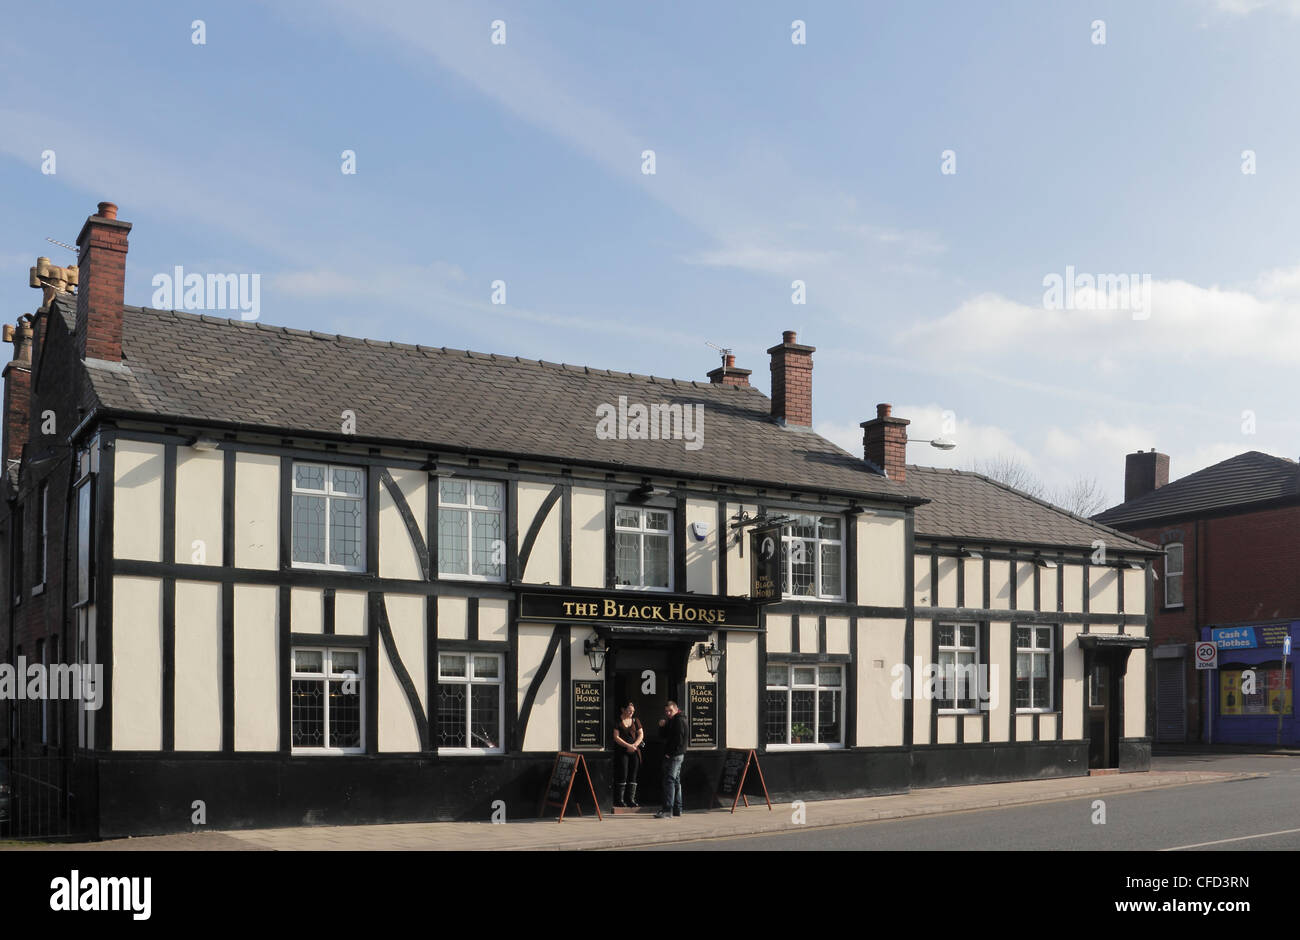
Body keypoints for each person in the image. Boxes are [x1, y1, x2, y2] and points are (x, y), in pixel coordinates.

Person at [654, 700, 688, 818]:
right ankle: (678, 809)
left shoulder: (679, 720)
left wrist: (670, 753)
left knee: (669, 780)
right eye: (666, 711)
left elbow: (678, 741)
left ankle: (668, 810)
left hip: (675, 755)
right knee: (676, 781)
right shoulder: (673, 720)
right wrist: (662, 726)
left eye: (670, 710)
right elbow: (664, 736)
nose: (668, 713)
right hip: (677, 755)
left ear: (676, 708)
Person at [611, 702, 644, 807]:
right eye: (629, 710)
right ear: (623, 710)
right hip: (622, 751)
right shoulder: (618, 721)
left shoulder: (635, 720)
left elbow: (641, 734)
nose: (631, 712)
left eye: (633, 711)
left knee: (633, 773)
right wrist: (627, 746)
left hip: (634, 750)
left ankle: (631, 799)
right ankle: (620, 800)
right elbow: (616, 737)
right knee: (623, 773)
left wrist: (634, 745)